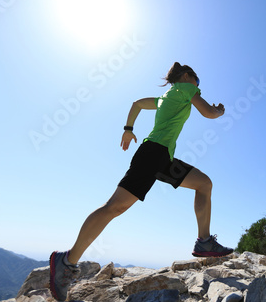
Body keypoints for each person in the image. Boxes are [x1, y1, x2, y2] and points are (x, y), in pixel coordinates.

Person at [49, 62, 233, 301]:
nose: (198, 89)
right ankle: (67, 261)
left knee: (203, 184)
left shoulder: (164, 97)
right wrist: (219, 110)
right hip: (153, 154)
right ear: (187, 77)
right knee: (115, 207)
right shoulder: (186, 89)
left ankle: (204, 241)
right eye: (198, 84)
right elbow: (208, 112)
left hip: (162, 157)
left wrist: (128, 128)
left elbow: (136, 103)